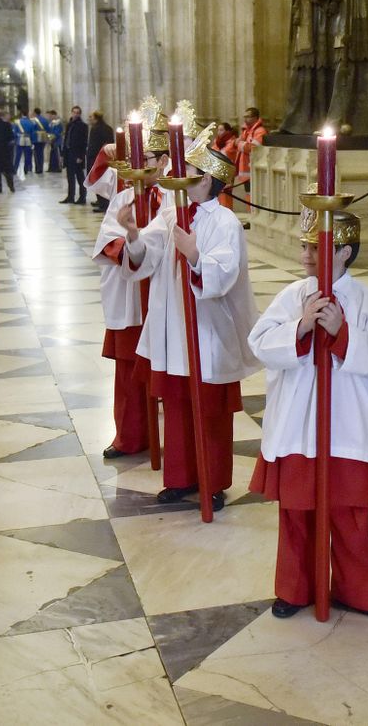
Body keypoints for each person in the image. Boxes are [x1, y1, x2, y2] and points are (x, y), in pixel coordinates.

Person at [249, 210, 368, 618]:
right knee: (297, 511)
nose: (305, 256)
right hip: (300, 427)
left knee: (348, 514)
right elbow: (260, 342)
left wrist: (342, 333)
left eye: (315, 248)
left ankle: (357, 592)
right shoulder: (291, 295)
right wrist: (299, 328)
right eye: (303, 246)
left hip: (349, 429)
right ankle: (295, 590)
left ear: (344, 252)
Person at [122, 121, 259, 509]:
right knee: (178, 402)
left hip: (206, 328)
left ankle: (212, 481)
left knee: (210, 406)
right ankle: (180, 476)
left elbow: (224, 272)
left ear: (210, 181)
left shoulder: (224, 221)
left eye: (191, 176)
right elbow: (146, 253)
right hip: (173, 326)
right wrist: (133, 236)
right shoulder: (172, 213)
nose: (181, 181)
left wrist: (195, 254)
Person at [93, 146, 165, 458]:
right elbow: (108, 239)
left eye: (146, 159)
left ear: (163, 161)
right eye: (136, 158)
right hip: (131, 297)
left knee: (169, 372)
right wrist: (131, 246)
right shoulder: (124, 199)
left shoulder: (173, 197)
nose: (139, 165)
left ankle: (175, 444)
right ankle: (130, 436)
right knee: (129, 371)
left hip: (165, 296)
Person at [234, 107, 267, 218]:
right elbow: (237, 142)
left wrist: (240, 144)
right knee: (249, 194)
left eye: (248, 116)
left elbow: (252, 148)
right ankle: (251, 216)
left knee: (254, 195)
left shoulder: (260, 131)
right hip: (246, 170)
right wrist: (240, 143)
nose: (245, 119)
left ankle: (254, 216)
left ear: (255, 118)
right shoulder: (248, 131)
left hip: (253, 170)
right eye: (245, 117)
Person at [61, 105, 89, 205]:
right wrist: (63, 153)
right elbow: (66, 139)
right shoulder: (69, 124)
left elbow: (84, 142)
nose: (76, 114)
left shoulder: (83, 126)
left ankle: (82, 197)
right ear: (72, 113)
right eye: (74, 112)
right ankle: (70, 196)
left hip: (77, 155)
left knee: (80, 177)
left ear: (80, 114)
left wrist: (81, 156)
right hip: (69, 154)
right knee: (70, 177)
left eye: (78, 113)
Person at [13, 109, 36, 178]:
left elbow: (14, 132)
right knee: (27, 156)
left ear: (22, 114)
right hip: (28, 140)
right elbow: (32, 133)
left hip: (20, 139)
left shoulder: (17, 122)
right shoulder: (31, 122)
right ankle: (26, 169)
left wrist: (15, 139)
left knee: (18, 156)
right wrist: (32, 142)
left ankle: (15, 169)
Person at [31, 107, 49, 175]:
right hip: (43, 138)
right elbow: (47, 129)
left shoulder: (34, 120)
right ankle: (41, 168)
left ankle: (38, 168)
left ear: (35, 113)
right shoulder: (45, 120)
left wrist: (32, 139)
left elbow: (32, 129)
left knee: (36, 154)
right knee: (41, 153)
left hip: (36, 138)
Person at [46, 109, 64, 174]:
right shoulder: (51, 123)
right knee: (52, 154)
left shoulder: (58, 122)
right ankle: (52, 167)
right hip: (52, 140)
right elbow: (49, 131)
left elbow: (58, 132)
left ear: (54, 115)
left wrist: (52, 138)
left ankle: (58, 167)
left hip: (57, 140)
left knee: (57, 154)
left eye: (51, 115)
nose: (50, 117)